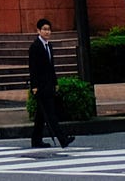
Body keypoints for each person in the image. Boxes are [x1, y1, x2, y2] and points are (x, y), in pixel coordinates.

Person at [28, 15, 72, 150]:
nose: (47, 32)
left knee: (41, 116)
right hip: (40, 86)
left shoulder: (49, 46)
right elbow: (33, 68)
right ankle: (63, 139)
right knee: (51, 114)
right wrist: (34, 86)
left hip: (49, 85)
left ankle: (36, 140)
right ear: (38, 31)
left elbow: (51, 67)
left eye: (49, 29)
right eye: (44, 29)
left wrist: (55, 82)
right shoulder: (35, 47)